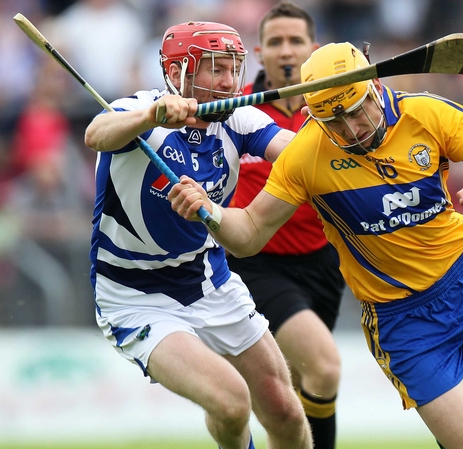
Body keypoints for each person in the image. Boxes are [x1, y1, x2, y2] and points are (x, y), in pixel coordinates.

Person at [169, 42, 463, 449]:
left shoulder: (424, 114)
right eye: (333, 123)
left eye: (356, 113)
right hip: (405, 325)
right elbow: (248, 234)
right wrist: (209, 210)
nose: (350, 131)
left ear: (375, 87)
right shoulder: (305, 155)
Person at [83, 21, 312, 449]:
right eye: (216, 69)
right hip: (135, 298)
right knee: (230, 402)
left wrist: (337, 120)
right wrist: (151, 117)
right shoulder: (139, 111)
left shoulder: (238, 118)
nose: (229, 82)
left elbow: (299, 155)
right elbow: (96, 135)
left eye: (234, 69)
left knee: (283, 408)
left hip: (210, 281)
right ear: (178, 73)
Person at [227, 3, 344, 448]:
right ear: (260, 52)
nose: (286, 50)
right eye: (275, 42)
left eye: (296, 41)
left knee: (295, 393)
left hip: (323, 263)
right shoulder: (236, 111)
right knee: (325, 367)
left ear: (313, 49)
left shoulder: (336, 109)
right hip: (257, 264)